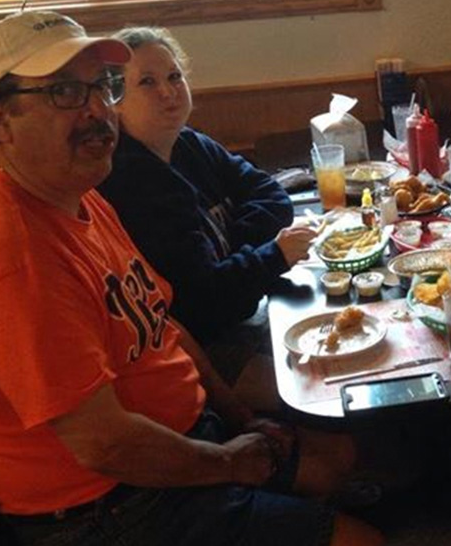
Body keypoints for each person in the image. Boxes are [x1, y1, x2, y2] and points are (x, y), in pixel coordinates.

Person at [0, 11, 384, 546]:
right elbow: (105, 445)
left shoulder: (81, 197)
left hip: (175, 446)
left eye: (102, 87)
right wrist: (225, 463)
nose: (96, 111)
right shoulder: (13, 256)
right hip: (107, 517)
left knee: (333, 459)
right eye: (65, 91)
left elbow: (163, 324)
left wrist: (236, 415)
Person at [97, 26, 317, 392]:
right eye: (147, 83)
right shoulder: (130, 182)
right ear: (115, 100)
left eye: (174, 76)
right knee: (316, 384)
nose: (168, 92)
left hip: (244, 311)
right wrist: (272, 255)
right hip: (199, 351)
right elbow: (203, 306)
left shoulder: (189, 143)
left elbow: (273, 197)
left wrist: (231, 253)